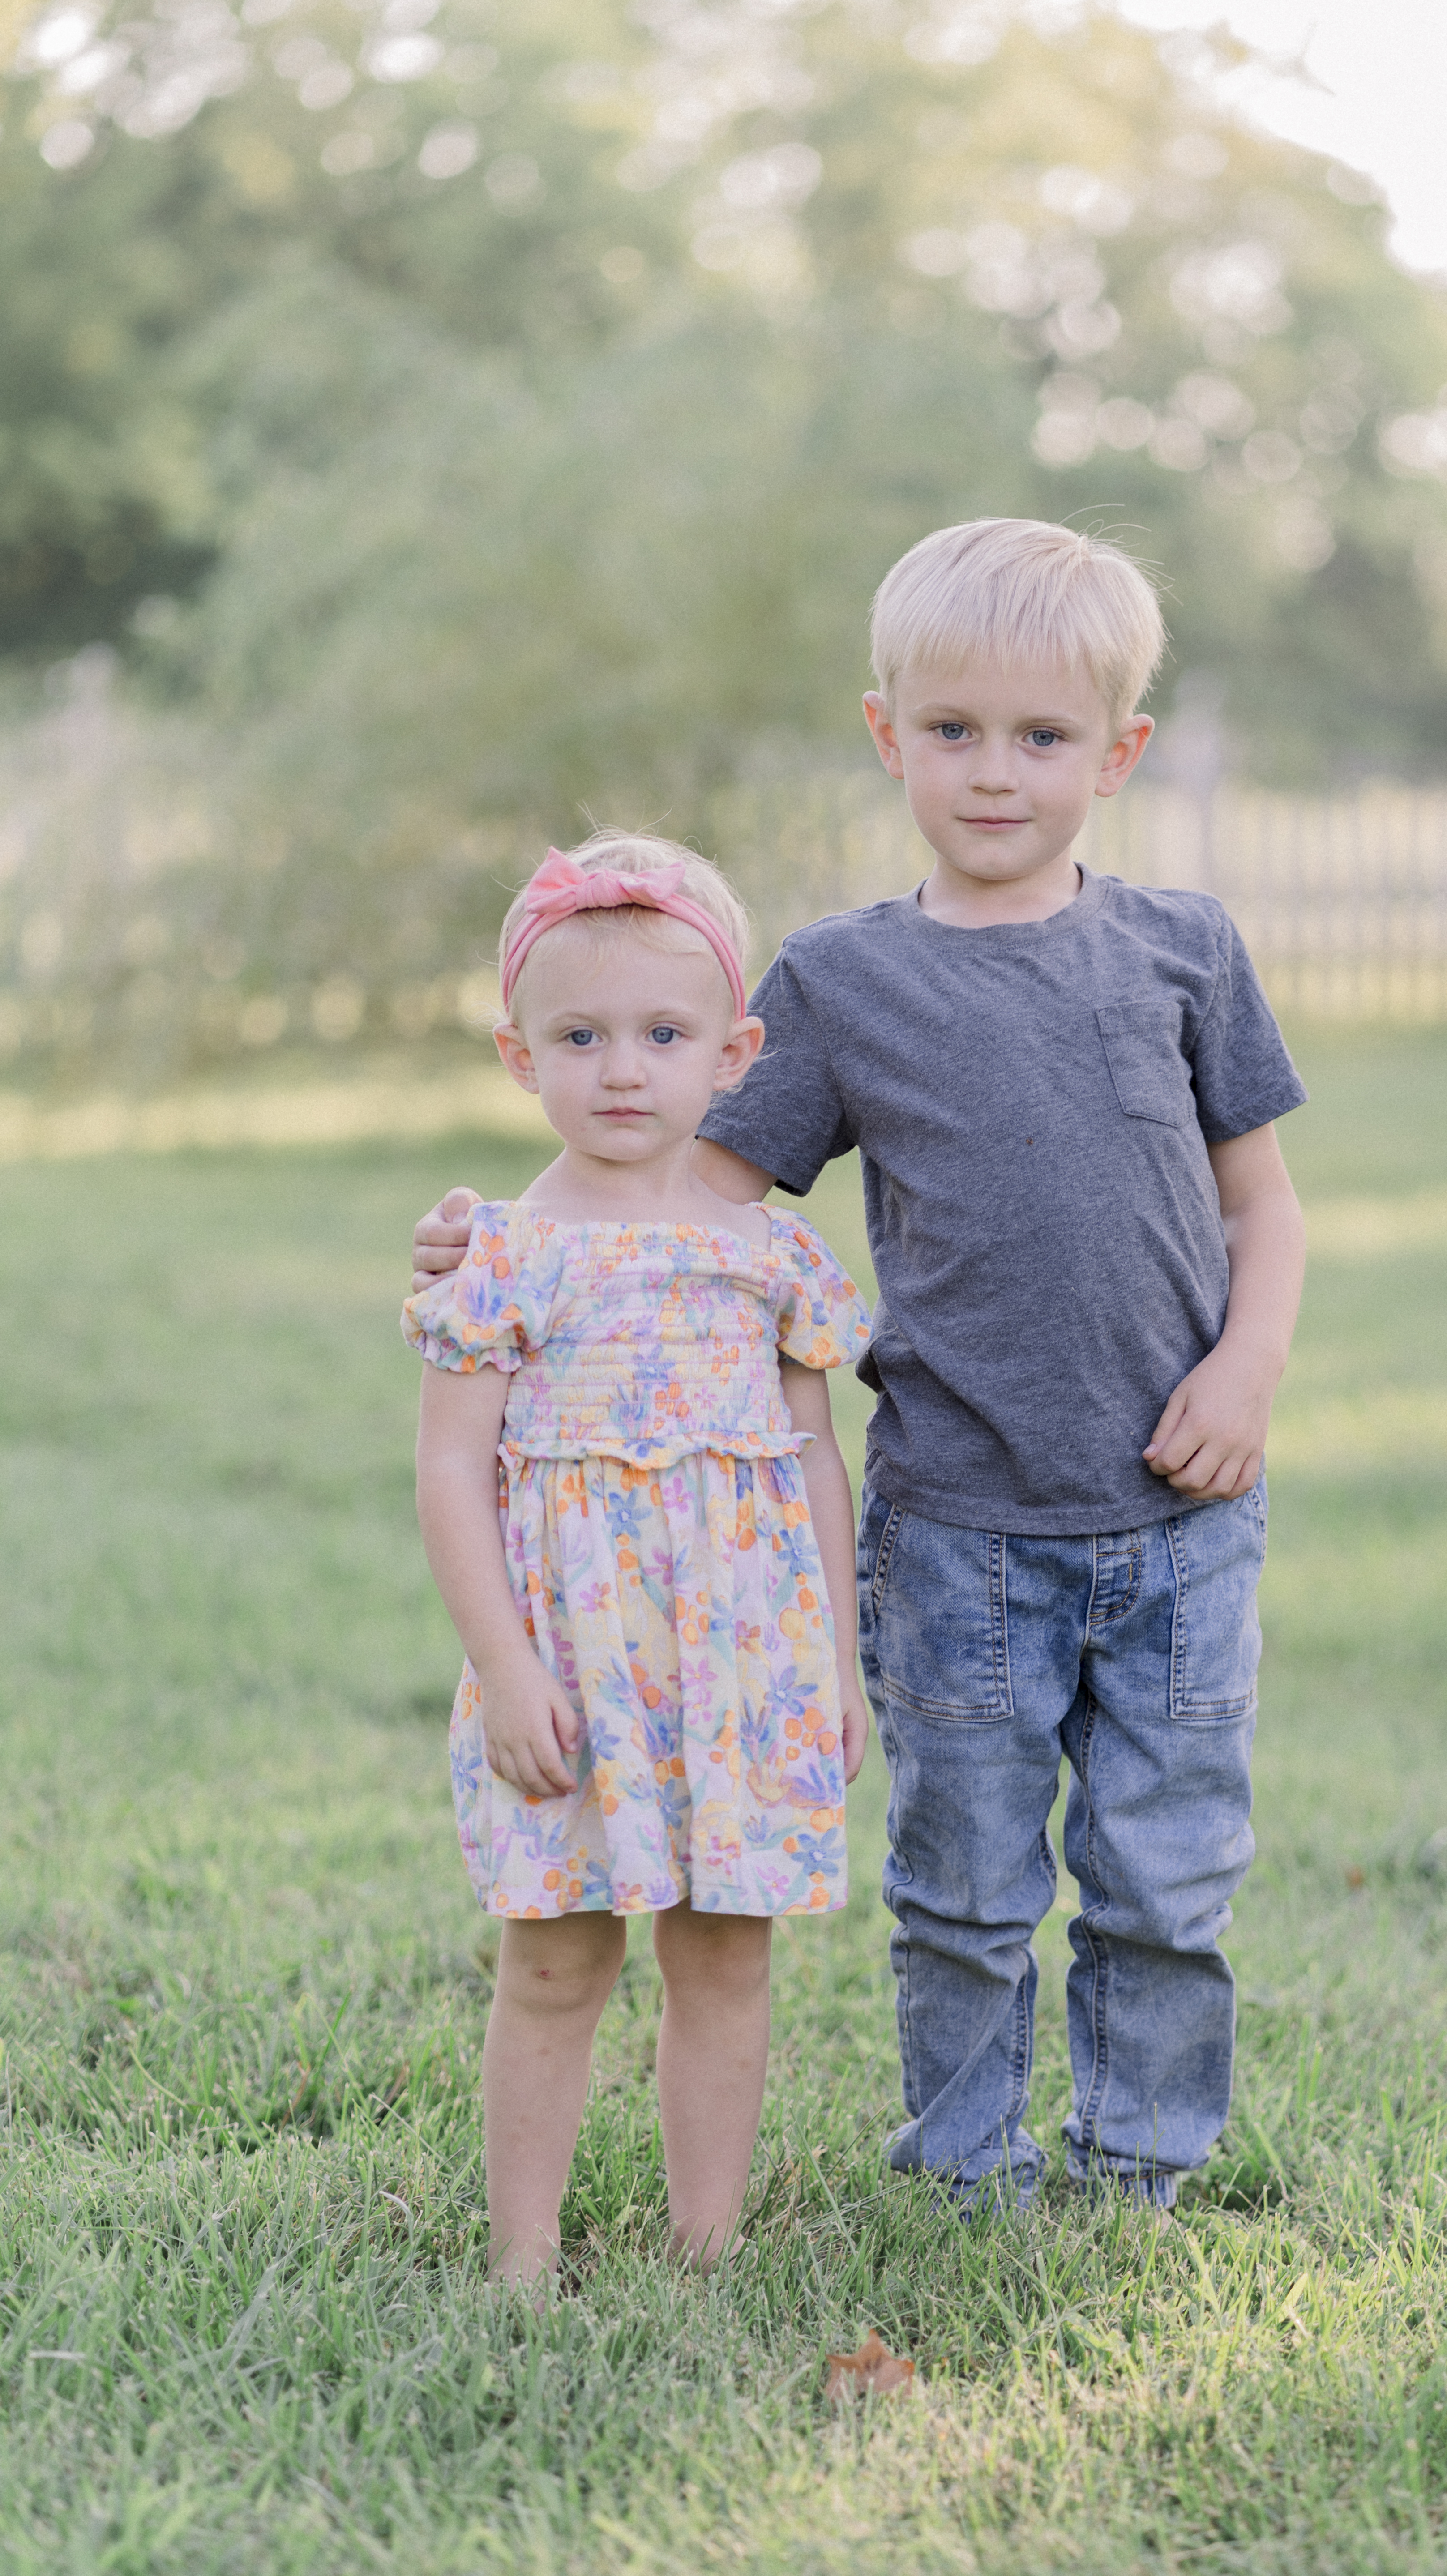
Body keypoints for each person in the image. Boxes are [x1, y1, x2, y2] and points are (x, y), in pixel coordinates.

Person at [415, 518, 1307, 2215]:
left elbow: (1263, 1202)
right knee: (965, 1885)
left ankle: (1140, 2173)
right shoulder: (836, 979)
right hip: (958, 1528)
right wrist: (486, 1245)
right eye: (954, 731)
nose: (996, 773)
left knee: (1166, 1878)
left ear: (1116, 753)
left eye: (1043, 738)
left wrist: (1250, 1365)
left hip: (1186, 1516)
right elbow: (676, 1192)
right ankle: (963, 2169)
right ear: (889, 733)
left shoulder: (1185, 950)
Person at [403, 832, 871, 2286]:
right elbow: (448, 1471)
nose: (623, 1069)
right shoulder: (501, 1255)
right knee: (559, 1957)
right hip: (571, 1666)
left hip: (745, 1661)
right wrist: (503, 1663)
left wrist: (840, 1668)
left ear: (733, 1053)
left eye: (664, 1035)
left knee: (726, 1952)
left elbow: (810, 1464)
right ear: (516, 1050)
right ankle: (525, 2259)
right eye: (581, 1035)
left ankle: (704, 2251)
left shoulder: (766, 1257)